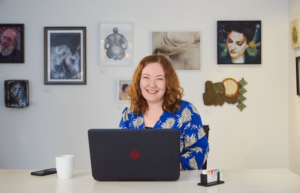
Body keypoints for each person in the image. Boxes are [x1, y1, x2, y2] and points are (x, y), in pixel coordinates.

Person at [119, 54, 209, 170]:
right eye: (146, 77)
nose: (152, 84)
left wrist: (176, 165)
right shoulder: (129, 114)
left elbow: (201, 149)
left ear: (168, 82)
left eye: (160, 78)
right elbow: (122, 150)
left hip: (175, 182)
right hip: (137, 180)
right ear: (138, 80)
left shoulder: (186, 111)